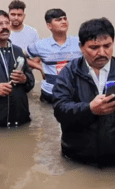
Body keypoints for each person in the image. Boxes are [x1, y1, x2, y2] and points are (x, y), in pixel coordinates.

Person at [53, 18, 115, 166]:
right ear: (81, 47)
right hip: (77, 158)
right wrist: (89, 109)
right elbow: (59, 110)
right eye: (94, 47)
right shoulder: (69, 73)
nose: (102, 52)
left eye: (107, 46)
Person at [27, 8, 82, 103]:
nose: (63, 21)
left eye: (65, 18)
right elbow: (19, 56)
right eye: (58, 20)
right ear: (49, 26)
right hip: (49, 93)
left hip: (75, 94)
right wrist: (39, 67)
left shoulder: (79, 42)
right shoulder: (40, 45)